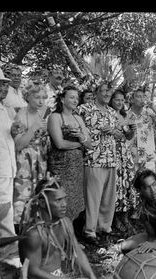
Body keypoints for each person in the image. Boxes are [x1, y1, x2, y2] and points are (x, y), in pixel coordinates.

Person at [18, 176, 100, 279]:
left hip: (59, 278)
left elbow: (78, 252)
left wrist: (91, 276)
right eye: (58, 200)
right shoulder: (34, 234)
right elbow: (32, 273)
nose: (64, 204)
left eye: (64, 198)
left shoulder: (65, 223)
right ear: (42, 203)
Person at [77, 82, 121, 246]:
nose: (107, 95)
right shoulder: (84, 109)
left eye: (109, 93)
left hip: (110, 159)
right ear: (96, 93)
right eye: (104, 92)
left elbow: (118, 134)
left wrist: (115, 132)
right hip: (93, 158)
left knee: (108, 198)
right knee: (93, 198)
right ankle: (90, 231)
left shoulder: (112, 111)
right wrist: (94, 132)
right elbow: (74, 126)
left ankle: (105, 228)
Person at [48, 86, 92, 223]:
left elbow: (89, 144)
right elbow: (60, 144)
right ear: (62, 99)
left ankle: (70, 237)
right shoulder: (55, 117)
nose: (75, 100)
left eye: (77, 98)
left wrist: (81, 137)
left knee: (74, 201)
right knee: (61, 200)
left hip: (77, 167)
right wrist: (79, 144)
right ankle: (58, 237)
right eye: (71, 97)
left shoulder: (78, 118)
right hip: (61, 167)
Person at [0, 64, 23, 269]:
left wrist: (14, 131)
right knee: (3, 219)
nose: (3, 89)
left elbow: (6, 138)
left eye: (5, 86)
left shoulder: (4, 109)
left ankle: (6, 263)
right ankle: (10, 265)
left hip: (7, 170)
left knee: (5, 216)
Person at [13, 84, 50, 227]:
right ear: (28, 97)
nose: (41, 101)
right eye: (37, 97)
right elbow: (19, 144)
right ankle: (19, 227)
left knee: (39, 192)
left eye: (43, 98)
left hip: (40, 159)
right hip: (25, 160)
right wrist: (33, 128)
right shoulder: (21, 114)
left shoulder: (44, 113)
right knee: (23, 193)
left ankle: (36, 227)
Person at [109, 89, 139, 235]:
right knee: (116, 185)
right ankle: (115, 219)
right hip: (113, 152)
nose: (120, 103)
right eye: (117, 100)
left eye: (122, 100)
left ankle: (125, 217)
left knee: (127, 184)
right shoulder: (108, 114)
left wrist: (132, 130)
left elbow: (127, 137)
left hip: (124, 153)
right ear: (111, 100)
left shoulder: (124, 115)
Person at [126, 88, 156, 172]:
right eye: (138, 97)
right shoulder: (126, 115)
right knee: (132, 183)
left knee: (148, 182)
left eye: (143, 97)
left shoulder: (149, 113)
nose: (142, 99)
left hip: (148, 156)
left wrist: (153, 107)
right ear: (132, 100)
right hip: (131, 156)